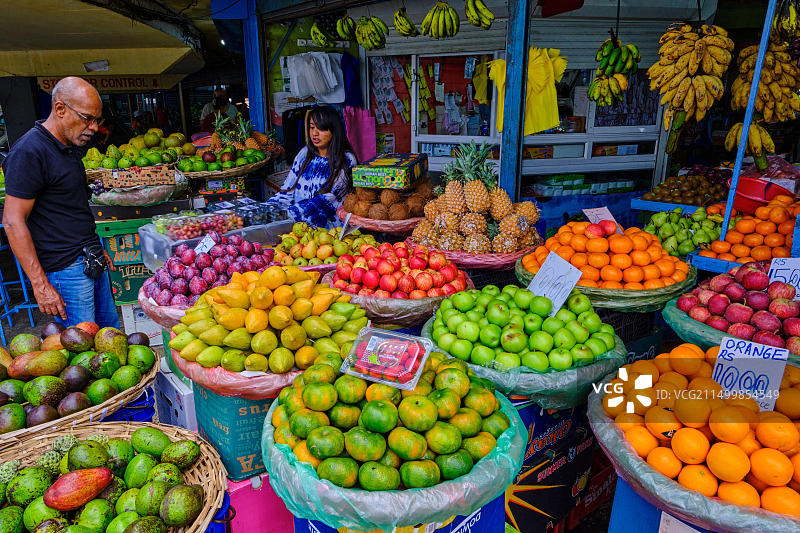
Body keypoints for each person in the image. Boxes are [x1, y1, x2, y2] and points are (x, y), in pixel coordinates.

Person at [2, 76, 119, 328]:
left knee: (111, 337)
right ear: (60, 109)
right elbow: (12, 221)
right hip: (66, 270)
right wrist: (40, 284)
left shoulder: (69, 147)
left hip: (90, 259)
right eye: (87, 118)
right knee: (83, 346)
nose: (94, 127)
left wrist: (95, 246)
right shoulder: (29, 151)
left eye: (97, 120)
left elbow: (70, 207)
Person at [268, 106, 357, 228]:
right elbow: (287, 191)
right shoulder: (304, 154)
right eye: (311, 127)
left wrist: (278, 216)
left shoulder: (346, 160)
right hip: (300, 228)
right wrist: (263, 211)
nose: (314, 133)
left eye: (321, 128)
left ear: (334, 130)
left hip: (330, 231)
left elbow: (321, 203)